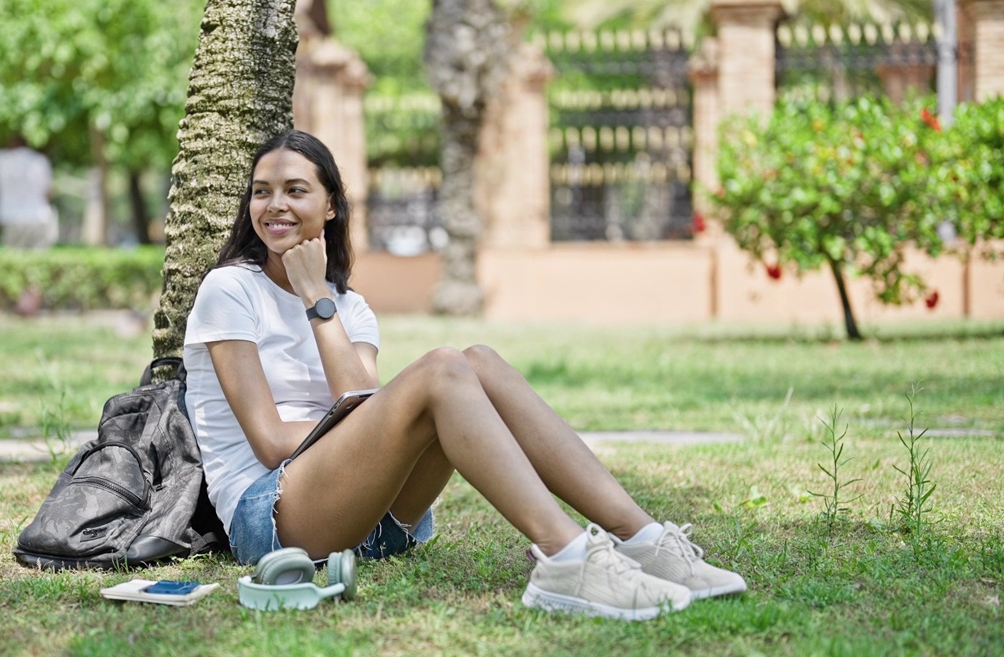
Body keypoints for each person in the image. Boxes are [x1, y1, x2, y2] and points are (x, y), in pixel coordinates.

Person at [183, 130, 746, 621]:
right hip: (275, 522)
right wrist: (314, 302)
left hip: (374, 523)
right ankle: (567, 557)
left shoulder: (348, 307)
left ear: (331, 206)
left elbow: (362, 409)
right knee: (442, 370)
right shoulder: (230, 289)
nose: (274, 205)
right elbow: (272, 441)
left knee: (477, 360)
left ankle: (644, 540)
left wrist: (318, 298)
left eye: (295, 190)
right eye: (262, 191)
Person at [0, 135, 58, 315]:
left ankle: (16, 303)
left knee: (13, 263)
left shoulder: (3, 159)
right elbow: (48, 191)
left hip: (11, 219)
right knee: (36, 263)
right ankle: (31, 307)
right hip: (38, 218)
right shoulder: (40, 160)